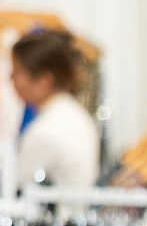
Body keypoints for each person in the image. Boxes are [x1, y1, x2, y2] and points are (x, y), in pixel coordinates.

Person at [11, 29, 99, 189]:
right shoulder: (73, 114)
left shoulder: (46, 131)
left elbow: (14, 186)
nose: (11, 78)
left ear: (44, 80)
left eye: (18, 71)